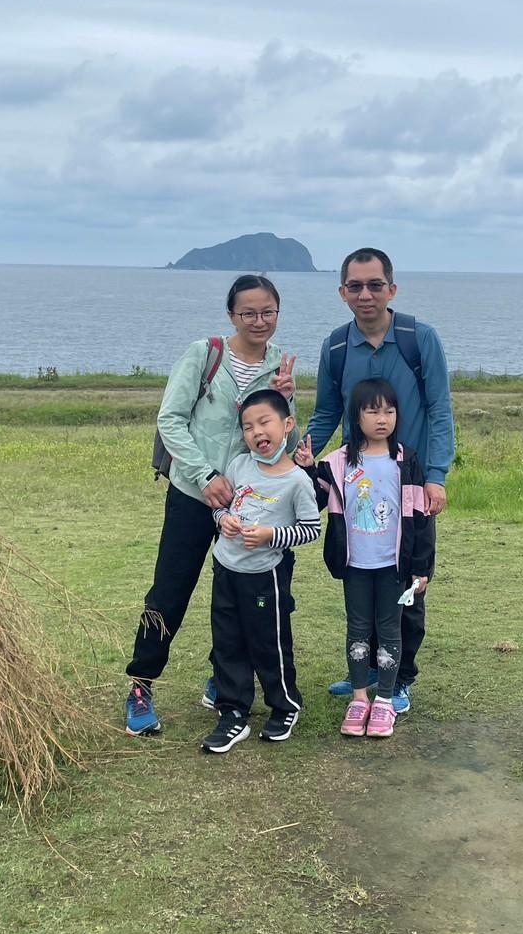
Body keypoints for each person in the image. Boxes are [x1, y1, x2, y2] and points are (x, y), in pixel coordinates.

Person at [125, 275, 296, 736]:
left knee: (239, 595)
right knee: (170, 591)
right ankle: (140, 685)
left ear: (278, 313)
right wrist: (205, 476)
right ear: (231, 315)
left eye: (268, 312)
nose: (259, 321)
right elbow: (171, 420)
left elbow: (280, 439)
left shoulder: (279, 365)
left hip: (248, 503)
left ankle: (223, 679)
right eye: (248, 313)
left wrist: (286, 399)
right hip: (192, 493)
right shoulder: (205, 354)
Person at [307, 248, 454, 715]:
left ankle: (401, 677)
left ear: (391, 288)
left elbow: (440, 410)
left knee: (407, 582)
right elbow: (327, 413)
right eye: (355, 286)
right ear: (342, 293)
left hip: (410, 486)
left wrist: (435, 477)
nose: (365, 294)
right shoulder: (335, 347)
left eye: (375, 285)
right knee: (363, 577)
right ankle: (368, 669)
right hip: (357, 488)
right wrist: (293, 457)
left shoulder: (419, 339)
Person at [297, 378, 434, 739]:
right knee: (358, 629)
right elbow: (313, 500)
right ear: (356, 417)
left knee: (390, 630)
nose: (382, 419)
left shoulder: (406, 461)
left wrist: (421, 568)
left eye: (389, 411)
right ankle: (359, 699)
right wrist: (308, 469)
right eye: (372, 411)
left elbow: (421, 519)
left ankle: (385, 700)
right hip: (354, 565)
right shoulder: (337, 462)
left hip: (394, 566)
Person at [202, 389, 321, 753]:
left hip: (264, 576)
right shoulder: (239, 465)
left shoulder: (297, 481)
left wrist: (271, 535)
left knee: (268, 643)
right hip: (226, 569)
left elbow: (311, 529)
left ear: (287, 425)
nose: (256, 432)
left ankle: (285, 705)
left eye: (264, 422)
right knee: (227, 642)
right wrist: (223, 519)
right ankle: (233, 712)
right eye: (248, 426)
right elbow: (220, 508)